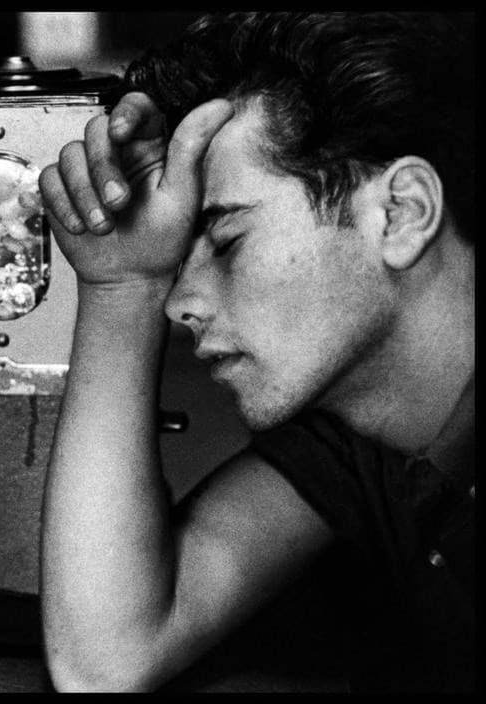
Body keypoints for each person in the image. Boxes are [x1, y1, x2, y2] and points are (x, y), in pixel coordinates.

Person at [38, 11, 474, 693]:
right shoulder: (362, 439)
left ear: (401, 214)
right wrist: (120, 284)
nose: (180, 304)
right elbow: (104, 658)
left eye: (226, 239)